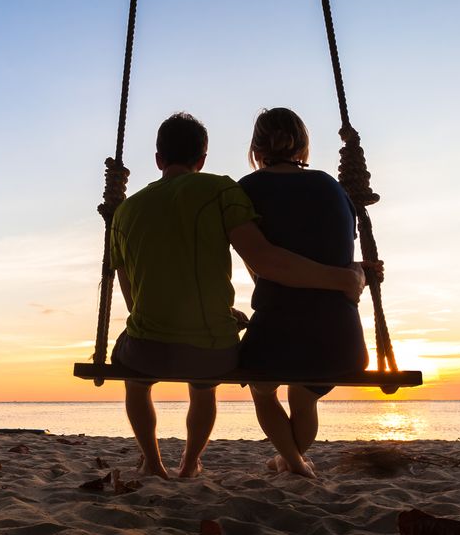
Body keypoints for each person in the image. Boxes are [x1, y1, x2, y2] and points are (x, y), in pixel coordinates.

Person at [110, 112, 364, 479]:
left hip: (150, 347)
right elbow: (263, 257)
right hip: (218, 353)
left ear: (158, 160)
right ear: (202, 160)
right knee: (207, 384)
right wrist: (347, 276)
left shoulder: (125, 211)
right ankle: (190, 463)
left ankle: (152, 461)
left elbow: (133, 298)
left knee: (135, 380)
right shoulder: (222, 191)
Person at [238, 108, 370, 478]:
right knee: (304, 395)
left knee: (263, 390)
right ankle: (291, 460)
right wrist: (352, 275)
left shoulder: (245, 190)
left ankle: (294, 463)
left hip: (276, 335)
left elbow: (268, 263)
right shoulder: (332, 187)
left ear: (256, 147)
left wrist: (346, 277)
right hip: (340, 341)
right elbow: (334, 253)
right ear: (303, 144)